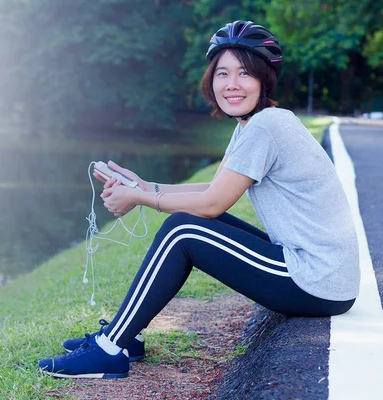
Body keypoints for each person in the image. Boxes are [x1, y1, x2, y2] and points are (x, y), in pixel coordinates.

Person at [37, 20, 360, 379]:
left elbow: (211, 204)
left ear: (263, 79)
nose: (231, 84)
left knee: (183, 232)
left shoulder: (267, 128)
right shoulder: (255, 125)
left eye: (244, 73)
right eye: (222, 73)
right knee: (191, 225)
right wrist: (147, 185)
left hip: (317, 282)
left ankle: (111, 349)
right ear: (211, 79)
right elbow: (209, 189)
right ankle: (124, 337)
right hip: (318, 274)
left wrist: (142, 198)